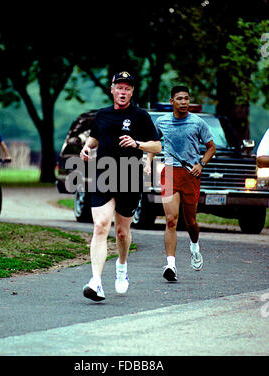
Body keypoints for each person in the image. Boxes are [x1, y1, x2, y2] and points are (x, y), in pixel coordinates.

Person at [80, 71, 162, 301]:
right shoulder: (102, 115)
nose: (123, 92)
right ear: (112, 89)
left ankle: (122, 267)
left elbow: (156, 147)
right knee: (100, 226)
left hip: (129, 176)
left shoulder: (141, 116)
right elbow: (95, 137)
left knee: (122, 232)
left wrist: (137, 143)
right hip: (104, 174)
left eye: (127, 88)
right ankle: (96, 281)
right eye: (120, 87)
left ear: (132, 92)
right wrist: (87, 147)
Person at [145, 86, 216, 282]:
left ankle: (194, 247)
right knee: (171, 220)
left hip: (190, 174)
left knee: (190, 221)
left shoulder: (197, 122)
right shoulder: (162, 121)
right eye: (179, 99)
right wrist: (148, 161)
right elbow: (154, 143)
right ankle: (171, 265)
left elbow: (211, 147)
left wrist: (200, 164)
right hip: (169, 172)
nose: (184, 102)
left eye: (186, 99)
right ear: (172, 102)